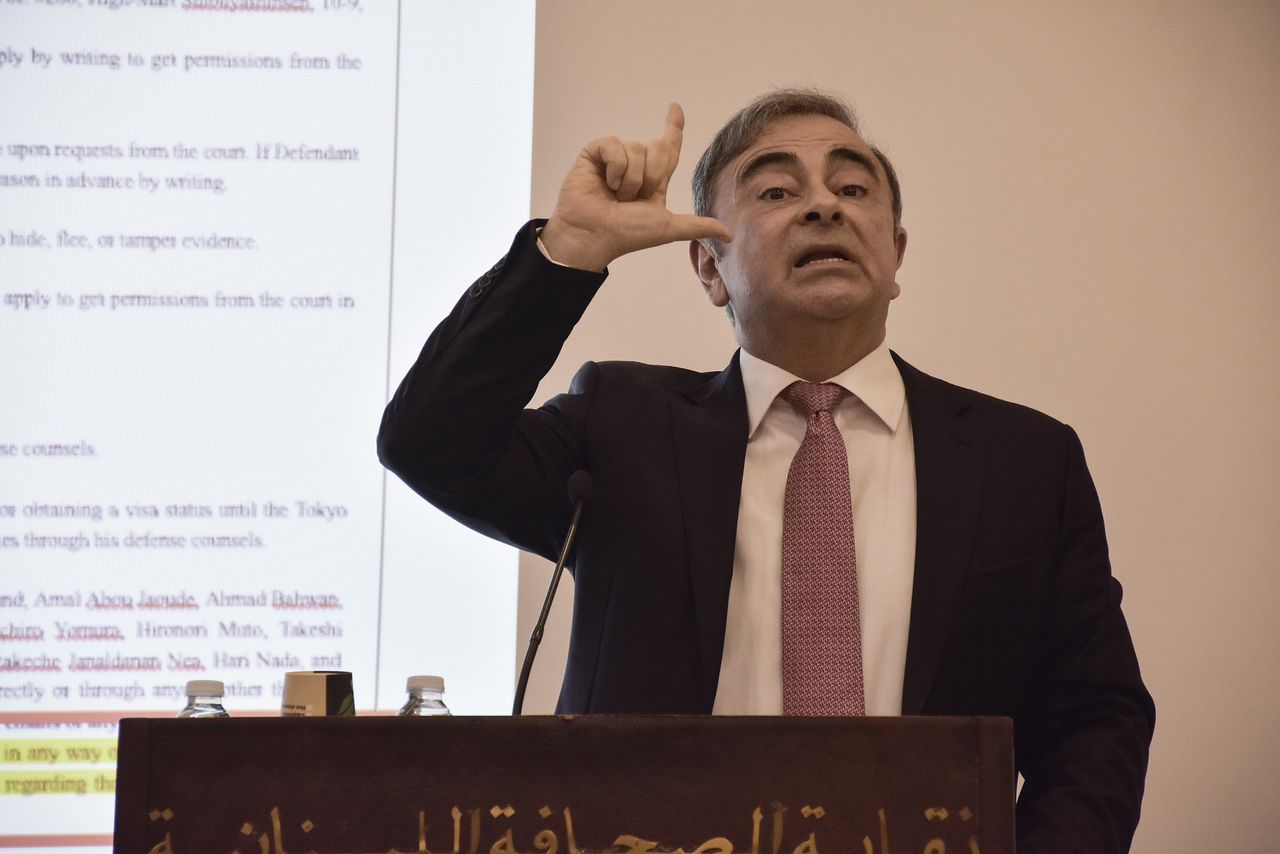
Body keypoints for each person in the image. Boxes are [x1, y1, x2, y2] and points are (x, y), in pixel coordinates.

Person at [378, 89, 1154, 852]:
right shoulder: (623, 428)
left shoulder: (1023, 462)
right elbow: (430, 442)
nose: (825, 207)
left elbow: (1095, 719)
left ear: (895, 256)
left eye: (852, 188)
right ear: (709, 269)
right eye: (778, 190)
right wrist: (569, 252)